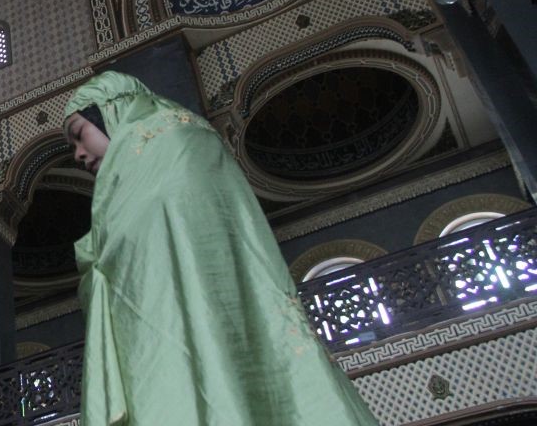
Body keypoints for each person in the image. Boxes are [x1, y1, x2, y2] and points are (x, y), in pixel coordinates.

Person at [64, 71, 378, 425]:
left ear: (114, 110)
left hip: (221, 323)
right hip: (153, 345)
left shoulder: (181, 142)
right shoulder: (121, 189)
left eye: (79, 135)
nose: (77, 153)